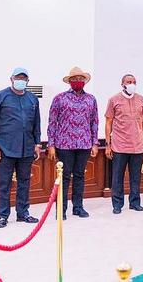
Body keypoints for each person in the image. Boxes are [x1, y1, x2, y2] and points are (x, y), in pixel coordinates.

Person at [0, 67, 42, 228]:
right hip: (5, 148)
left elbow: (36, 123)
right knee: (4, 184)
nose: (21, 81)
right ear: (11, 79)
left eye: (24, 78)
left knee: (24, 181)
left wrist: (37, 143)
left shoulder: (32, 99)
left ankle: (23, 213)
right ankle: (3, 215)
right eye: (18, 78)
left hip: (27, 148)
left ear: (28, 81)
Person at [47, 67, 99, 219]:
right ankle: (61, 210)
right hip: (64, 144)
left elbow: (94, 122)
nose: (78, 81)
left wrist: (94, 143)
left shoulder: (91, 99)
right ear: (69, 81)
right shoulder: (59, 98)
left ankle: (78, 207)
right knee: (64, 177)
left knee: (79, 176)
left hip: (84, 143)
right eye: (75, 79)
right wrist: (51, 144)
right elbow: (52, 122)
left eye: (80, 79)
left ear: (84, 81)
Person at [105, 74, 143, 214]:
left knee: (136, 176)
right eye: (129, 82)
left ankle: (135, 203)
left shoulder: (141, 99)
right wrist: (108, 144)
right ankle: (117, 204)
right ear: (122, 84)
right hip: (119, 145)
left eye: (134, 82)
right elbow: (108, 122)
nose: (132, 84)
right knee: (117, 177)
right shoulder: (113, 100)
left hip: (138, 145)